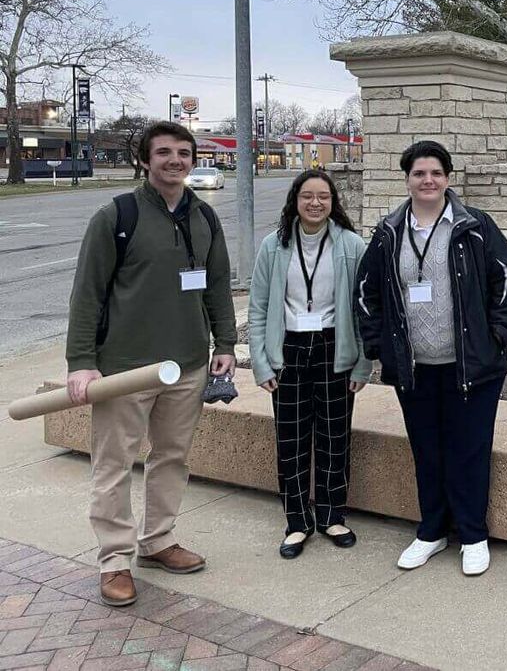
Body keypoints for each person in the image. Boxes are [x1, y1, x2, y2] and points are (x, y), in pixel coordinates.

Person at [65, 121, 236, 607]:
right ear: (145, 159)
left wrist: (224, 343)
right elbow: (87, 294)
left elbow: (217, 286)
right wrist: (81, 361)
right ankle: (114, 560)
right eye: (164, 152)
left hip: (186, 366)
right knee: (114, 464)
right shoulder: (116, 216)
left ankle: (158, 540)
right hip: (124, 368)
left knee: (172, 457)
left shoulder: (204, 217)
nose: (175, 160)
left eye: (184, 152)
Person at [356, 140, 507, 576]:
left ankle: (473, 535)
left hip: (473, 365)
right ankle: (430, 531)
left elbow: (504, 274)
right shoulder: (389, 231)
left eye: (436, 173)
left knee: (470, 449)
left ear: (448, 178)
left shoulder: (474, 225)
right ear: (406, 178)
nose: (428, 181)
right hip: (415, 367)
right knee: (427, 450)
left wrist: (499, 334)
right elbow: (366, 291)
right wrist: (376, 344)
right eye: (419, 173)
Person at [248, 169, 371, 559]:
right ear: (295, 201)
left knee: (336, 440)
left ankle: (333, 515)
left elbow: (366, 308)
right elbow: (258, 307)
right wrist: (261, 364)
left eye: (323, 197)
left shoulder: (352, 245)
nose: (315, 203)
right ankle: (297, 521)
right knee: (291, 441)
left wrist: (363, 364)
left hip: (337, 347)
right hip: (288, 350)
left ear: (333, 203)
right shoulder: (274, 245)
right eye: (307, 196)